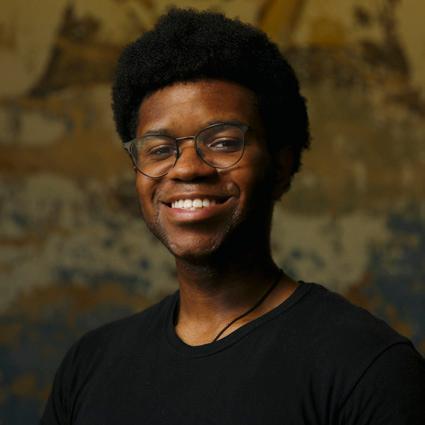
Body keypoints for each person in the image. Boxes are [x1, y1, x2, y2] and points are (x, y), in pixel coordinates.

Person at [41, 8, 425, 425]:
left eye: (223, 142)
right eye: (159, 149)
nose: (187, 168)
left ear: (281, 166)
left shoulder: (368, 367)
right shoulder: (90, 365)